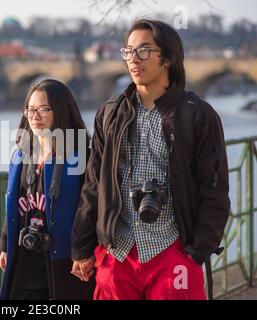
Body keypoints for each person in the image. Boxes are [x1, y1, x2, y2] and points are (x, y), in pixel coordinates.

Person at [71, 19, 230, 300]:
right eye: (128, 51)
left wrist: (197, 250)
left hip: (173, 251)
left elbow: (214, 189)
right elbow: (93, 185)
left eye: (143, 51)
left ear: (167, 58)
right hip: (117, 253)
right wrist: (82, 248)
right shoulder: (109, 113)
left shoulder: (198, 115)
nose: (133, 59)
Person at [0, 79, 95, 300]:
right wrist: (5, 244)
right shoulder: (21, 156)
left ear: (61, 111)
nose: (35, 116)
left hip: (65, 259)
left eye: (44, 109)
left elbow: (91, 209)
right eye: (31, 109)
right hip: (26, 256)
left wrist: (86, 251)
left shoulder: (84, 157)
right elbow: (13, 204)